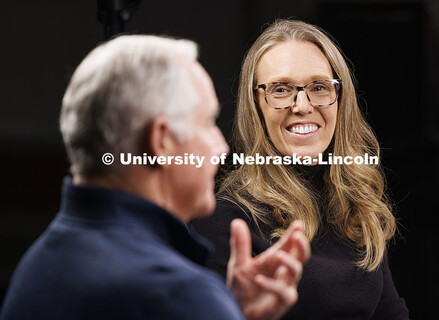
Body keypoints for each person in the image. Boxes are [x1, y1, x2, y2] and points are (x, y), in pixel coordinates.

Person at [0, 35, 311, 320]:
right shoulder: (180, 296)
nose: (221, 146)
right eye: (207, 123)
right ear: (161, 140)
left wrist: (232, 310)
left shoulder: (38, 264)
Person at [193, 19, 409, 319]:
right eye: (281, 89)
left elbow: (392, 314)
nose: (303, 105)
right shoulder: (226, 220)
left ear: (340, 100)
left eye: (319, 87)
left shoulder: (357, 204)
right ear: (256, 106)